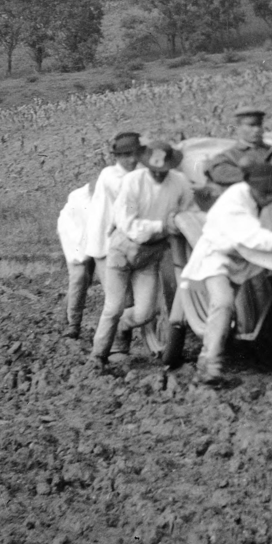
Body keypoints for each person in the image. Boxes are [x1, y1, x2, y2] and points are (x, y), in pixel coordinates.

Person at [164, 156, 272, 386]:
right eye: (265, 192)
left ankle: (261, 346)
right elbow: (254, 238)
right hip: (218, 256)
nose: (271, 196)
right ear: (251, 187)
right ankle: (207, 368)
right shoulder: (233, 202)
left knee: (270, 295)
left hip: (246, 259)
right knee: (223, 303)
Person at [90, 141, 197, 372]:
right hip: (123, 250)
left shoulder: (179, 183)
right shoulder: (133, 182)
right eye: (154, 170)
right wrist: (163, 225)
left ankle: (120, 327)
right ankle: (98, 354)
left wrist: (184, 221)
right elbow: (128, 223)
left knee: (146, 312)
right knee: (114, 306)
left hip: (150, 255)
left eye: (163, 170)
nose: (159, 174)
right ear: (147, 165)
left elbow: (189, 209)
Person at [74, 130, 143, 339]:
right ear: (117, 157)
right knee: (117, 300)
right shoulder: (110, 175)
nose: (131, 159)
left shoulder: (138, 172)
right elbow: (132, 193)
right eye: (125, 155)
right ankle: (114, 346)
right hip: (104, 244)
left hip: (126, 242)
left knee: (129, 299)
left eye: (135, 154)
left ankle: (122, 338)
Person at [56, 177, 96, 339]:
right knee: (80, 275)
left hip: (95, 237)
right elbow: (78, 231)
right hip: (75, 236)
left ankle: (64, 310)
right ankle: (74, 324)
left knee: (89, 278)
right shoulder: (79, 199)